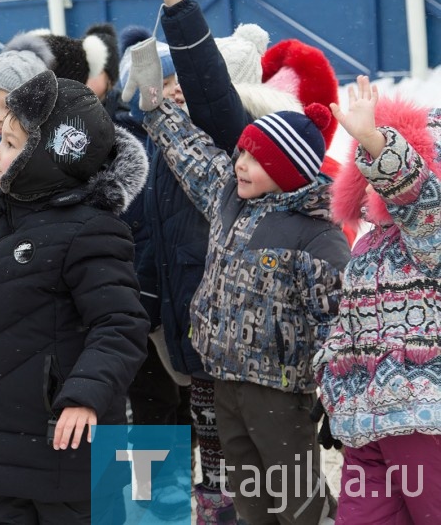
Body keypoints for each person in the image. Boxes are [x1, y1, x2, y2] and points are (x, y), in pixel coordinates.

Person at [0, 38, 150, 523]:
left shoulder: (91, 229)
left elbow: (119, 326)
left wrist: (85, 394)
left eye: (11, 145)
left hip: (67, 447)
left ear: (50, 155)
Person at [123, 28, 350, 522]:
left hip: (278, 390)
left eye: (254, 159)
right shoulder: (229, 197)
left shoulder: (318, 234)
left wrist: (339, 394)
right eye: (242, 154)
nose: (239, 164)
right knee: (249, 502)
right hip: (223, 379)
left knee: (296, 501)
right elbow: (189, 151)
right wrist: (155, 105)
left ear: (289, 171)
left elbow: (337, 323)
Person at [314, 76, 441, 523]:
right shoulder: (370, 244)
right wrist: (331, 380)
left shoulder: (431, 230)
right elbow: (352, 322)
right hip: (362, 422)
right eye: (362, 167)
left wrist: (372, 137)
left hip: (421, 419)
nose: (370, 176)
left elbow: (415, 191)